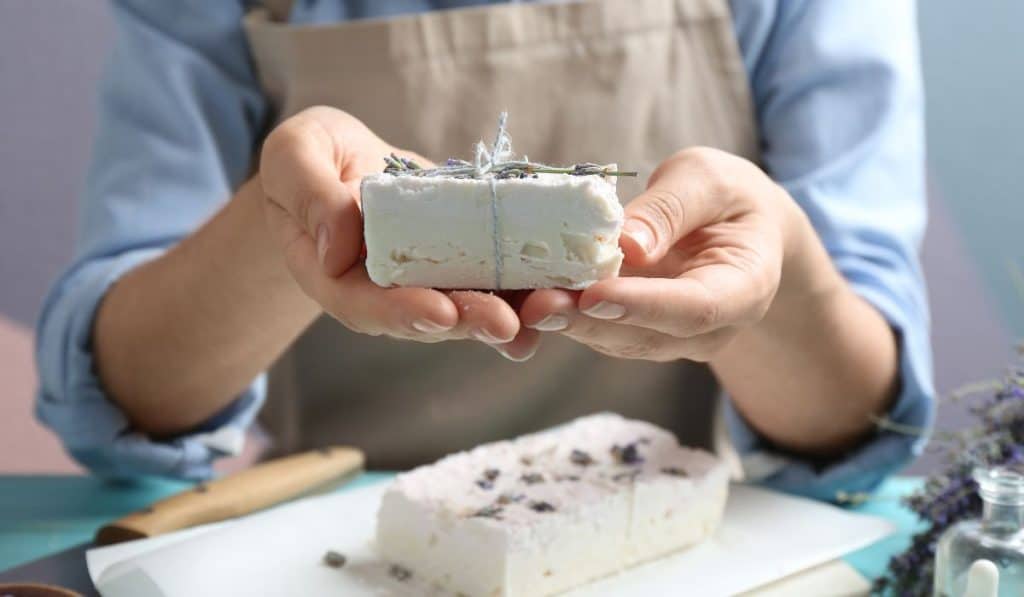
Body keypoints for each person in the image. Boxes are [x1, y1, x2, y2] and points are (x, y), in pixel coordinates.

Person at [35, 0, 933, 501]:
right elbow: (126, 401)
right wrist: (296, 225)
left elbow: (861, 422)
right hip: (321, 542)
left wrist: (771, 282)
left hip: (672, 533)